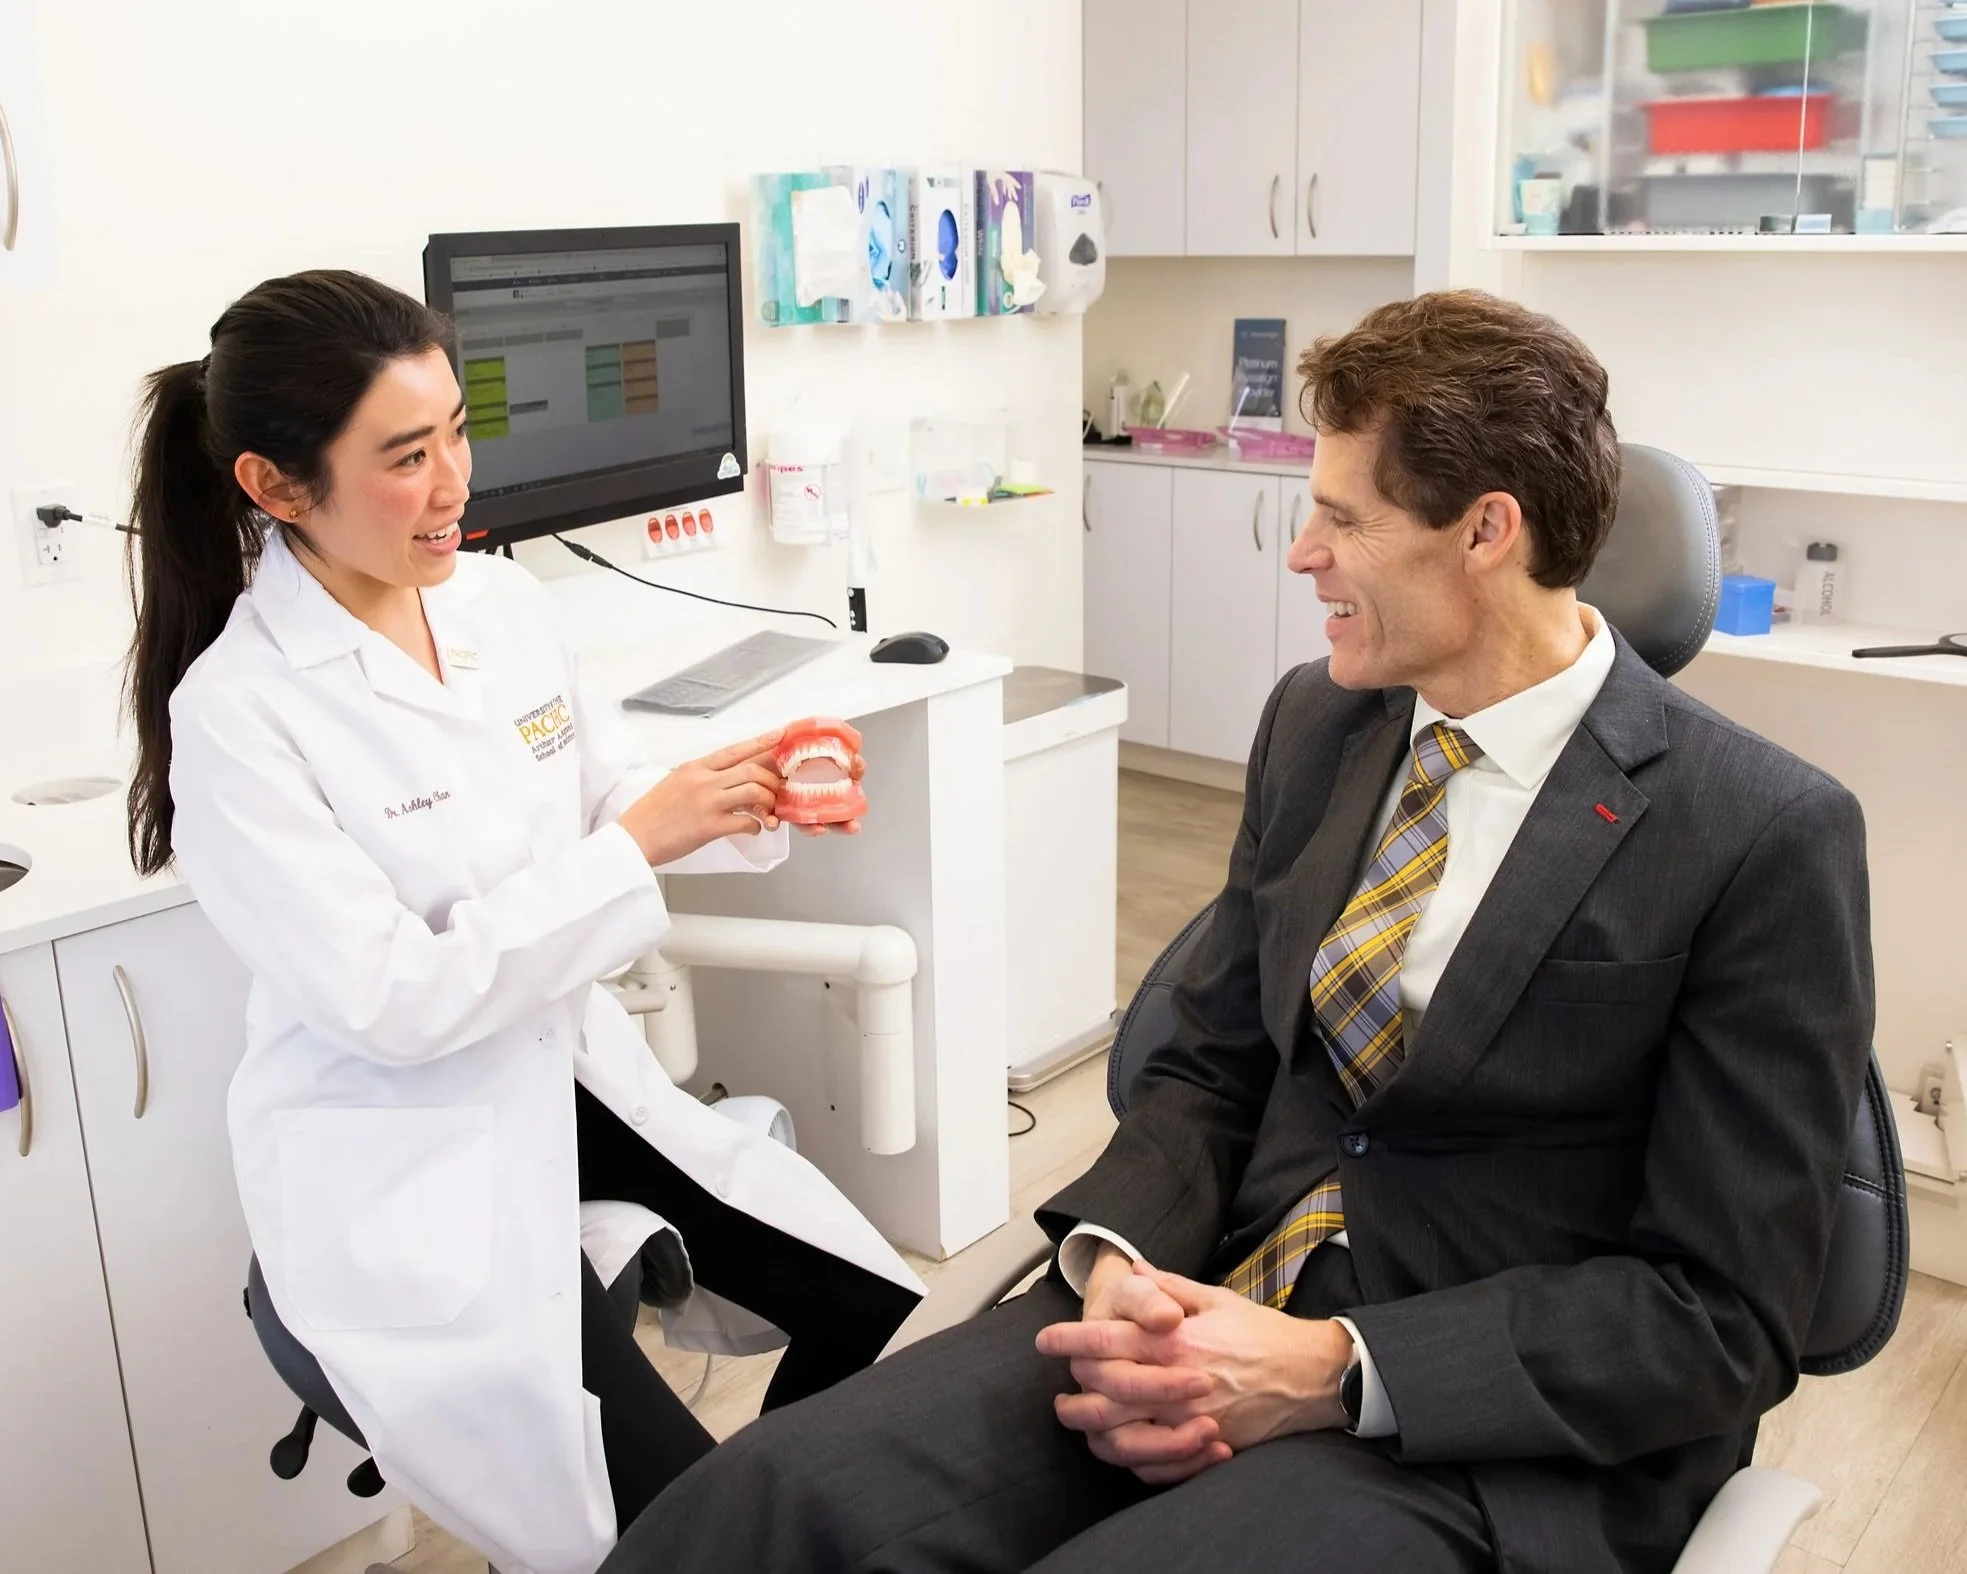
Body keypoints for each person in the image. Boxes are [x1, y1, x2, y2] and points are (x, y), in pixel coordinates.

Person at [600, 291, 1875, 1574]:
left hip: (1483, 1426)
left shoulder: (1756, 832)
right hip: (1209, 1287)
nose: (1298, 551)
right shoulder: (1320, 726)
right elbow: (1209, 1055)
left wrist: (1331, 1366)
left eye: (1342, 516)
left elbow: (1718, 1311)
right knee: (761, 1505)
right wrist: (1115, 1261)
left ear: (1485, 530)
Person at [125, 270, 922, 1574]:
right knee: (658, 1522)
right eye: (403, 455)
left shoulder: (499, 609)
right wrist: (635, 839)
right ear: (274, 486)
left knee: (860, 1308)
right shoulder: (241, 714)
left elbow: (596, 796)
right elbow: (396, 999)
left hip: (565, 1081)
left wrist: (732, 795)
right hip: (410, 1156)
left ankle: (782, 1518)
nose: (454, 483)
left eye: (455, 431)